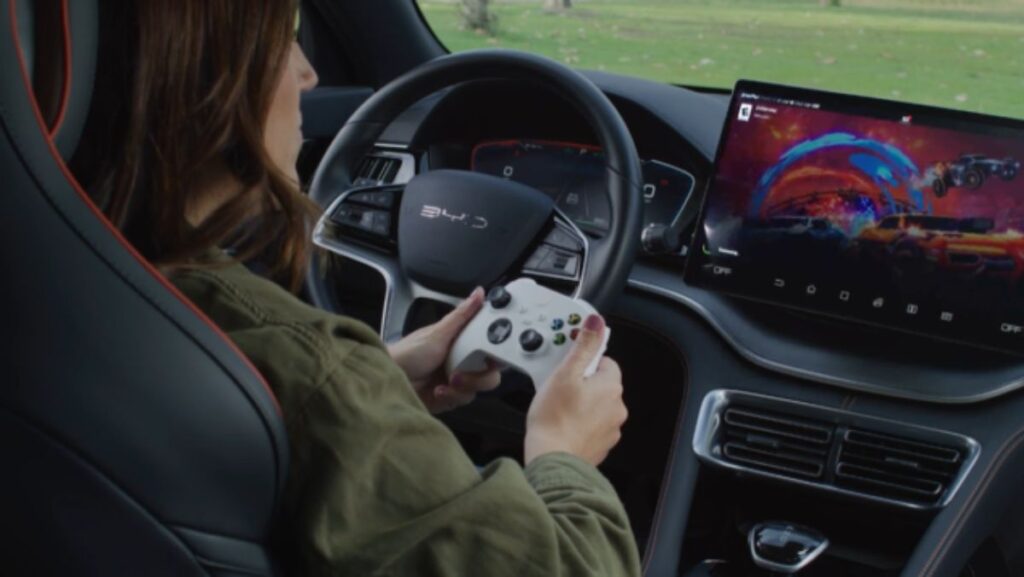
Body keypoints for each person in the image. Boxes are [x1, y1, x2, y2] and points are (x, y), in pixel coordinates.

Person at [71, 1, 639, 575]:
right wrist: (564, 451)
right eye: (281, 41)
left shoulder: (77, 276)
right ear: (202, 82)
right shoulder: (315, 371)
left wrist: (379, 381)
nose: (308, 74)